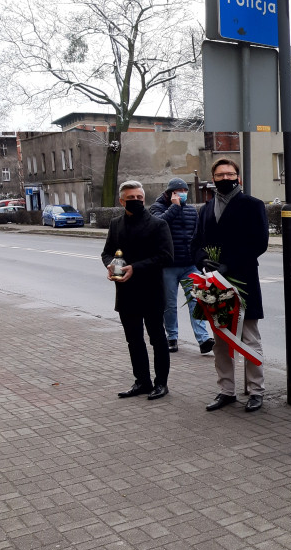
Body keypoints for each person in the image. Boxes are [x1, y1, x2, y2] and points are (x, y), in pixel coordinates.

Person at [191, 158, 270, 413]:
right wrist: (204, 261)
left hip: (243, 281)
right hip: (214, 284)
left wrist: (229, 265)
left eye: (230, 173)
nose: (225, 178)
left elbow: (259, 243)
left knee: (249, 338)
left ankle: (256, 391)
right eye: (220, 174)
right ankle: (226, 390)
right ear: (212, 178)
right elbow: (197, 242)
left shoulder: (252, 205)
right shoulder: (205, 209)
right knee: (221, 340)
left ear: (238, 177)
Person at [101, 181, 174, 400]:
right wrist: (110, 265)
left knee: (157, 338)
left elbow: (166, 257)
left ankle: (161, 383)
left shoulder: (158, 225)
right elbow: (106, 252)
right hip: (126, 292)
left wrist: (136, 267)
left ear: (144, 199)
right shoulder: (115, 224)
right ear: (121, 201)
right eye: (130, 198)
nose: (135, 201)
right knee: (133, 339)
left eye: (139, 198)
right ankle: (142, 381)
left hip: (151, 290)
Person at [150, 177, 214, 354]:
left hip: (189, 265)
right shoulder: (157, 208)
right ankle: (172, 337)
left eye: (185, 191)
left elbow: (197, 235)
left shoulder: (192, 211)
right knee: (170, 304)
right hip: (168, 265)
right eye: (179, 191)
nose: (183, 194)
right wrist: (175, 207)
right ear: (170, 193)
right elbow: (158, 226)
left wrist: (200, 258)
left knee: (196, 300)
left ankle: (203, 339)